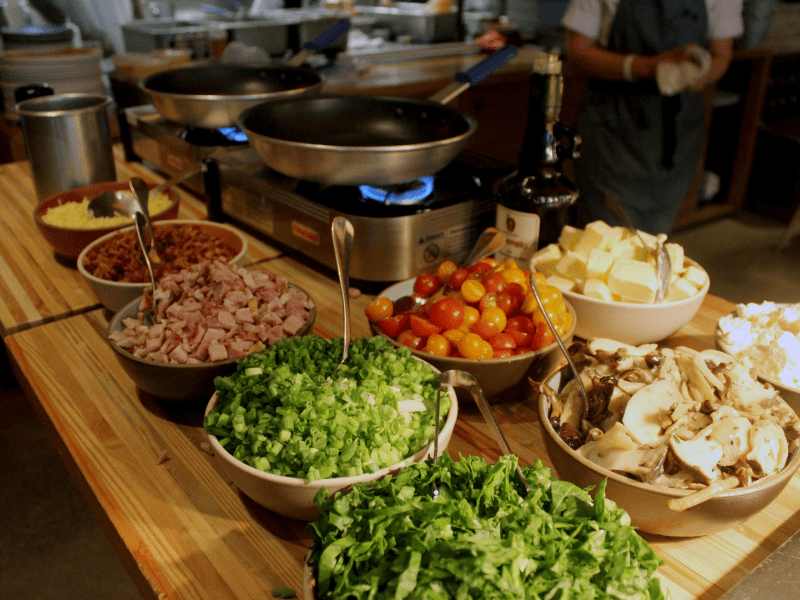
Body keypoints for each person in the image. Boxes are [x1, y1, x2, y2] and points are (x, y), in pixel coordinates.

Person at [561, 0, 744, 235]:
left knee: (655, 242)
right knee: (603, 243)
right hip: (613, 137)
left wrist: (697, 74)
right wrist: (647, 68)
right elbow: (578, 53)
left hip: (678, 140)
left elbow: (722, 54)